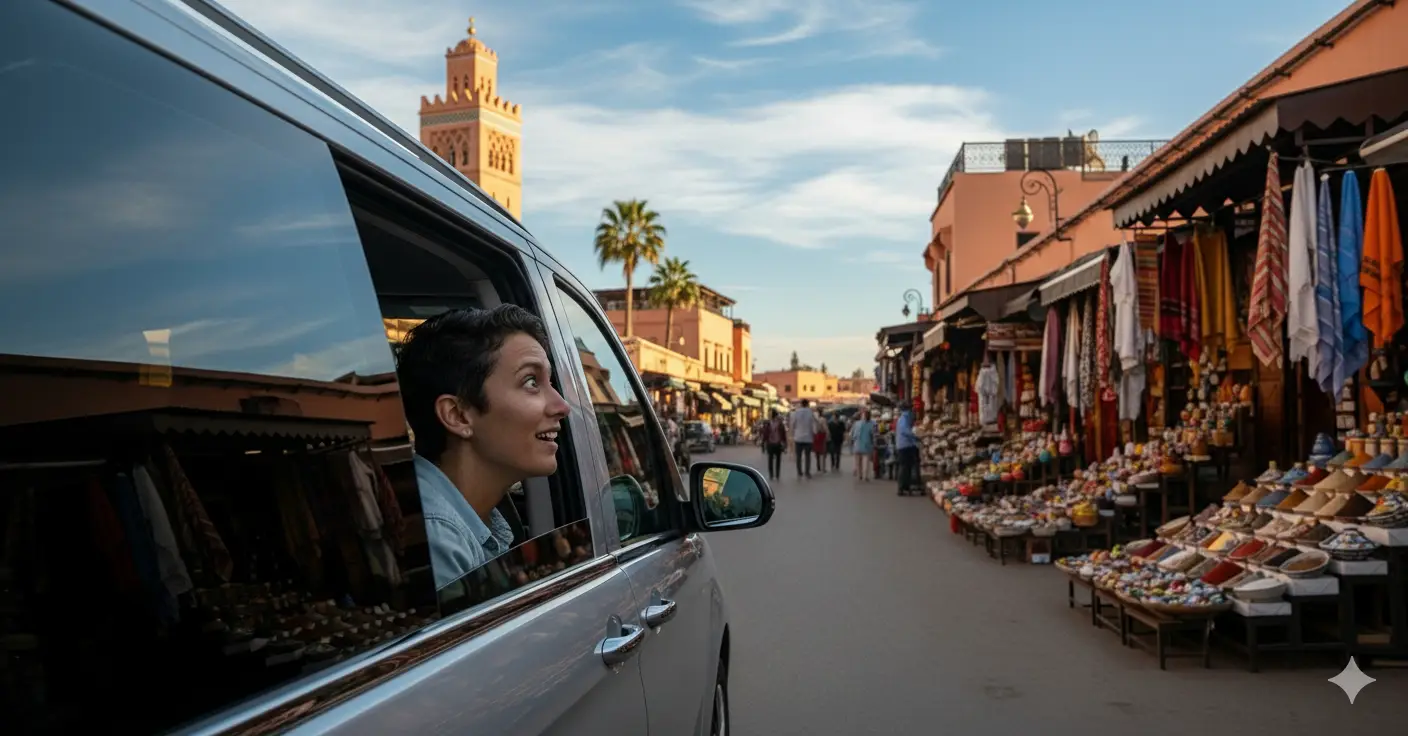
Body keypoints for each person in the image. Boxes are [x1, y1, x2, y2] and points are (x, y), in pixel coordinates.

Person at [396, 305, 570, 591]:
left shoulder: (466, 521)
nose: (562, 406)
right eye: (531, 381)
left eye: (548, 382)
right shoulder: (437, 537)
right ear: (458, 415)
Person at [895, 401, 921, 495]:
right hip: (905, 445)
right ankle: (902, 488)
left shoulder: (904, 418)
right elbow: (905, 431)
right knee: (904, 467)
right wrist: (915, 436)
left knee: (906, 467)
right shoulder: (904, 418)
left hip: (905, 445)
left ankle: (905, 487)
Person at [788, 399, 816, 478]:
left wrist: (792, 434)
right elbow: (813, 425)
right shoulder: (810, 412)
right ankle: (807, 472)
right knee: (808, 456)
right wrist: (814, 433)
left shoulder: (796, 412)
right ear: (807, 404)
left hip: (798, 437)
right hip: (808, 438)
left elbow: (792, 424)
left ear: (801, 404)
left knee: (798, 456)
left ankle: (799, 472)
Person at [762, 409, 787, 481]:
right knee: (774, 460)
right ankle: (775, 475)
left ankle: (773, 475)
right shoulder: (770, 424)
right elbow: (765, 434)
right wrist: (785, 444)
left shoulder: (777, 424)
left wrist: (763, 443)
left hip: (774, 444)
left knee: (772, 460)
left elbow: (765, 435)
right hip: (774, 443)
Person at [851, 409, 876, 481]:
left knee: (858, 461)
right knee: (866, 461)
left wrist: (853, 441)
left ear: (862, 416)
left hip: (857, 444)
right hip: (867, 444)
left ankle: (860, 475)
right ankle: (865, 476)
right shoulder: (872, 424)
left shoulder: (856, 423)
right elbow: (873, 435)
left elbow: (853, 434)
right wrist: (873, 443)